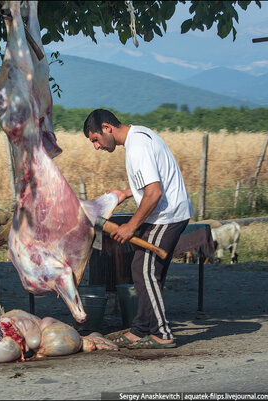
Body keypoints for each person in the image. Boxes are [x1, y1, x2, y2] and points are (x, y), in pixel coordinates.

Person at [83, 109, 193, 349]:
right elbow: (151, 180)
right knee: (148, 271)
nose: (96, 146)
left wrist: (131, 227)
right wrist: (125, 193)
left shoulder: (137, 148)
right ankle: (140, 329)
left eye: (95, 139)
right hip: (169, 211)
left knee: (144, 270)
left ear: (106, 128)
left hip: (167, 214)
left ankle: (162, 333)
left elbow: (154, 192)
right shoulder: (139, 135)